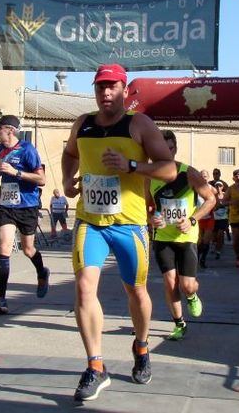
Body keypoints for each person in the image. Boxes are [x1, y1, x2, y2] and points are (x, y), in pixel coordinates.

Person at [61, 63, 176, 401]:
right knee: (84, 288)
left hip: (130, 224)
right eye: (100, 87)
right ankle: (96, 367)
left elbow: (168, 169)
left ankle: (141, 347)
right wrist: (68, 180)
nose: (106, 92)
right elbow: (69, 155)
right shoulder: (82, 124)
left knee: (136, 291)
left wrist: (132, 166)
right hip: (90, 222)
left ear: (125, 90)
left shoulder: (138, 124)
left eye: (112, 86)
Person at [149, 131, 215, 341]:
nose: (166, 152)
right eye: (162, 149)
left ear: (175, 149)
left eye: (170, 148)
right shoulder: (149, 176)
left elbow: (210, 199)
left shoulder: (189, 173)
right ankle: (179, 323)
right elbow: (147, 207)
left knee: (186, 285)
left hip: (186, 238)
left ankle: (192, 295)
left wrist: (193, 219)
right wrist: (152, 218)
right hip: (162, 237)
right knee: (169, 282)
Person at [0, 114, 49, 314]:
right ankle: (1, 299)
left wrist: (17, 173)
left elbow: (42, 179)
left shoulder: (28, 150)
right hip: (6, 205)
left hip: (27, 206)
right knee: (4, 248)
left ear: (9, 131)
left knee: (28, 249)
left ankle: (42, 272)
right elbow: (2, 167)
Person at [197, 169, 220, 268]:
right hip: (197, 217)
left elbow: (218, 201)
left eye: (205, 176)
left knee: (206, 241)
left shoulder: (212, 189)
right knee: (199, 241)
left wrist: (213, 207)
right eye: (202, 176)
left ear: (208, 177)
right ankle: (197, 257)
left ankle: (203, 259)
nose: (204, 178)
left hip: (209, 217)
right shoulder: (195, 187)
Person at [210, 168, 231, 245]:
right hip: (213, 209)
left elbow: (229, 194)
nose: (215, 175)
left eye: (216, 173)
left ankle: (221, 242)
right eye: (214, 173)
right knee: (214, 231)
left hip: (223, 210)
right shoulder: (210, 183)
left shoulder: (224, 184)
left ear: (219, 174)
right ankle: (215, 242)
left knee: (222, 229)